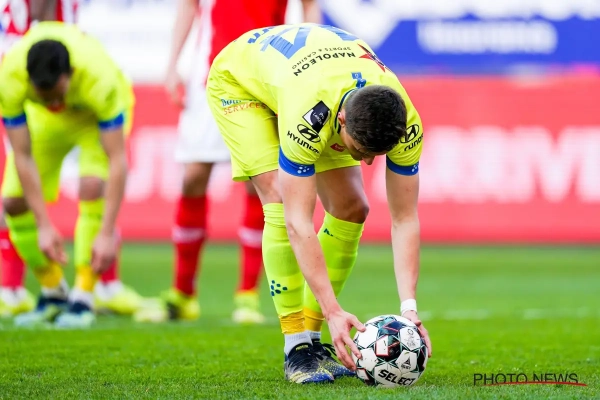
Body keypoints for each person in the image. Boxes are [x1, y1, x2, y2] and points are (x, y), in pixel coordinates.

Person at [206, 23, 433, 383]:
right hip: (240, 83)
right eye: (360, 150)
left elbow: (404, 218)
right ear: (342, 120)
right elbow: (298, 223)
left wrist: (409, 308)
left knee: (352, 207)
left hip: (312, 74)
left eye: (376, 154)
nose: (367, 162)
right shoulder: (309, 115)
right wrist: (332, 309)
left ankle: (315, 342)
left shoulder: (406, 124)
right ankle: (297, 347)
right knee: (280, 199)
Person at [134, 0, 321, 324]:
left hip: (263, 78)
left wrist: (308, 65)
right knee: (193, 178)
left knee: (260, 184)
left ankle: (247, 295)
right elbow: (189, 6)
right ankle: (183, 293)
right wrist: (173, 64)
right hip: (210, 76)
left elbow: (310, 7)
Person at [0, 0, 142, 318]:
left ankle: (84, 294)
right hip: (47, 124)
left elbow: (117, 160)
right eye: (45, 96)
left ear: (72, 74)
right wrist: (43, 224)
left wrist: (107, 233)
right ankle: (54, 291)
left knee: (92, 186)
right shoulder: (9, 78)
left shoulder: (100, 80)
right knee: (13, 202)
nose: (54, 102)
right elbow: (22, 155)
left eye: (58, 94)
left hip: (92, 118)